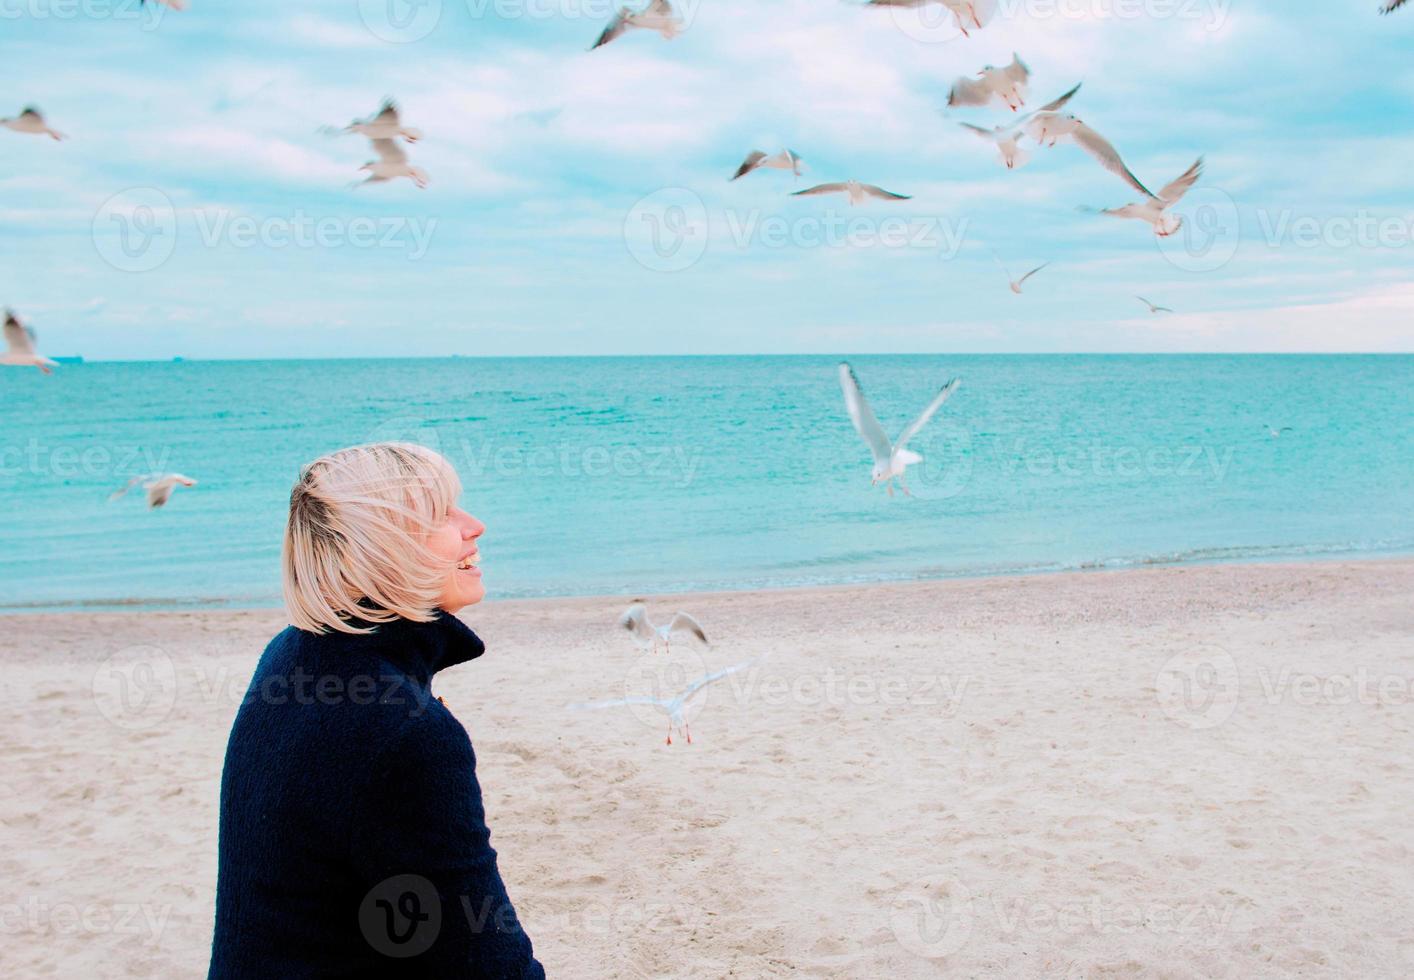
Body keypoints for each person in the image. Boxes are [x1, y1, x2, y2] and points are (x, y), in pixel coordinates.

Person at [208, 442, 544, 978]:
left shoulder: (294, 652)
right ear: (384, 548)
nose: (474, 526)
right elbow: (484, 960)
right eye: (441, 515)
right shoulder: (401, 731)